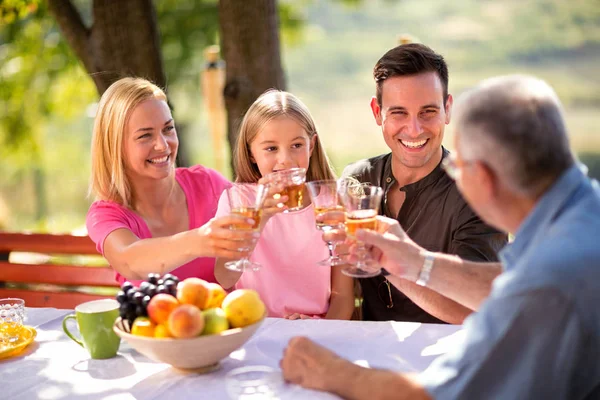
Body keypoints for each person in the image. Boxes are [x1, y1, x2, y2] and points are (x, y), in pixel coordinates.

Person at [281, 75, 600, 399]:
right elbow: (506, 284)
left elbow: (443, 395)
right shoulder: (581, 214)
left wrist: (331, 372)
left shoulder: (550, 279)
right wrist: (413, 262)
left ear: (484, 178)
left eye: (459, 168)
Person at [339, 43, 507, 324]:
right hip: (370, 352)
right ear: (377, 112)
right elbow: (337, 289)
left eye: (428, 111)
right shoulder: (357, 180)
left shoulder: (479, 193)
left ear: (448, 108)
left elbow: (478, 312)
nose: (414, 129)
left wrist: (388, 263)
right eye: (399, 113)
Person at [86, 77, 257, 285]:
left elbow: (262, 246)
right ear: (115, 147)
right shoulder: (107, 215)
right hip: (157, 319)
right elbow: (129, 260)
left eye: (168, 129)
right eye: (145, 136)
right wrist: (200, 240)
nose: (163, 145)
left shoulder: (208, 185)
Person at [214, 90, 355, 320]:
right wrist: (259, 221)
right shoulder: (235, 200)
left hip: (317, 332)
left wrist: (319, 332)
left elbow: (343, 297)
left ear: (311, 146)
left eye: (297, 145)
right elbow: (224, 277)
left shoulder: (332, 202)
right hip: (254, 331)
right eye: (271, 148)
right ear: (251, 153)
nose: (286, 160)